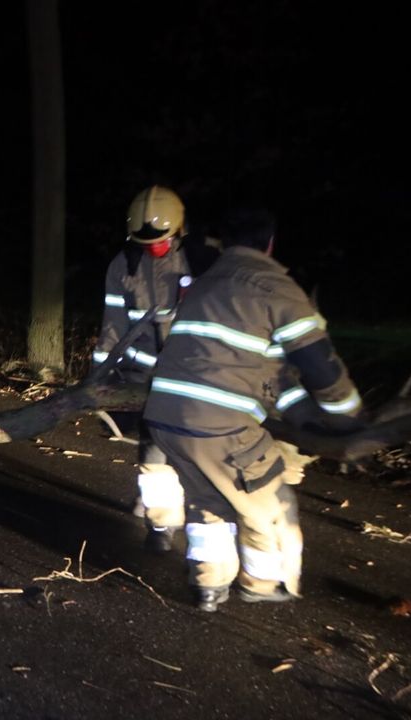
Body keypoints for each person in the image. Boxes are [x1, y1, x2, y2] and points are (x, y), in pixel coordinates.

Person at [142, 209, 363, 611]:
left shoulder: (207, 284)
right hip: (218, 425)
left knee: (209, 498)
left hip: (165, 418)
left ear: (225, 243)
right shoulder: (277, 289)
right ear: (271, 243)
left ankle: (208, 586)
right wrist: (349, 421)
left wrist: (304, 419)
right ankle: (264, 583)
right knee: (270, 503)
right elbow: (320, 367)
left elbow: (272, 376)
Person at [92, 185, 218, 552]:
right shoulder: (123, 267)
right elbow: (111, 327)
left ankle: (207, 525)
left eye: (161, 240)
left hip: (198, 375)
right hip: (144, 377)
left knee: (202, 452)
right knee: (153, 450)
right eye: (146, 242)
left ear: (180, 230)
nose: (154, 248)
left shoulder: (205, 260)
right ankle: (161, 524)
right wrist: (101, 381)